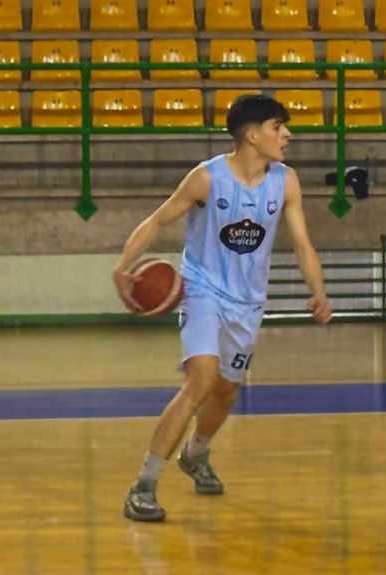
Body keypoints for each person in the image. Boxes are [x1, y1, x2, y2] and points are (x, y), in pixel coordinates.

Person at [113, 94, 333, 522]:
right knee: (200, 381)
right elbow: (158, 220)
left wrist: (319, 290)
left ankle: (196, 455)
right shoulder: (207, 178)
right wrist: (123, 267)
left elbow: (302, 244)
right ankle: (143, 486)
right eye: (277, 126)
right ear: (252, 135)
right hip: (201, 290)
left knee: (227, 389)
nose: (287, 134)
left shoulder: (285, 181)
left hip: (248, 301)